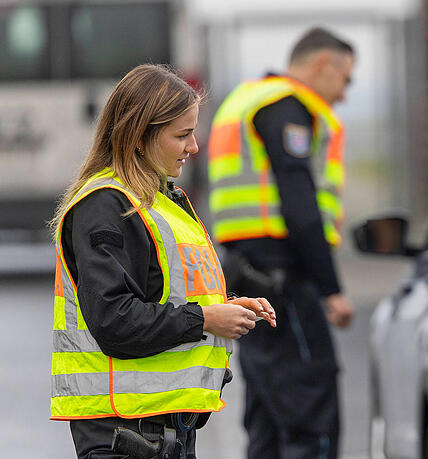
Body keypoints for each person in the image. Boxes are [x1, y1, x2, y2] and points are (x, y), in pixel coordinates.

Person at [48, 64, 276, 459]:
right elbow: (114, 320)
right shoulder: (105, 206)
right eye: (182, 135)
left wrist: (223, 308)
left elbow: (163, 294)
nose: (194, 147)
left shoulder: (164, 201)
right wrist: (205, 320)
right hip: (122, 430)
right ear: (139, 136)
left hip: (163, 427)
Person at [207, 27, 356, 459]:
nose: (344, 94)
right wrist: (332, 289)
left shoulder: (245, 100)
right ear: (322, 64)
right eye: (346, 80)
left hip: (247, 275)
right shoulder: (286, 108)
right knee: (312, 415)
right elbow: (301, 207)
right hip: (284, 279)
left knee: (269, 418)